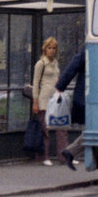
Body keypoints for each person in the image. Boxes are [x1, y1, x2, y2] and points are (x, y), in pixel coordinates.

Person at [32, 36, 67, 165]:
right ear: (45, 49)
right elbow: (35, 83)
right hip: (44, 99)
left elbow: (57, 78)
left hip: (55, 98)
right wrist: (35, 101)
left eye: (54, 48)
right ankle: (44, 156)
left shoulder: (55, 63)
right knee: (44, 129)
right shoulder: (41, 63)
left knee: (61, 128)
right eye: (49, 48)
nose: (52, 50)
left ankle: (64, 155)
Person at [56, 46, 86, 171]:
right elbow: (73, 67)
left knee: (95, 129)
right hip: (88, 98)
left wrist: (61, 86)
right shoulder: (92, 48)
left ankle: (71, 151)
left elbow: (73, 66)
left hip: (88, 97)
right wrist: (60, 86)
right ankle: (70, 151)